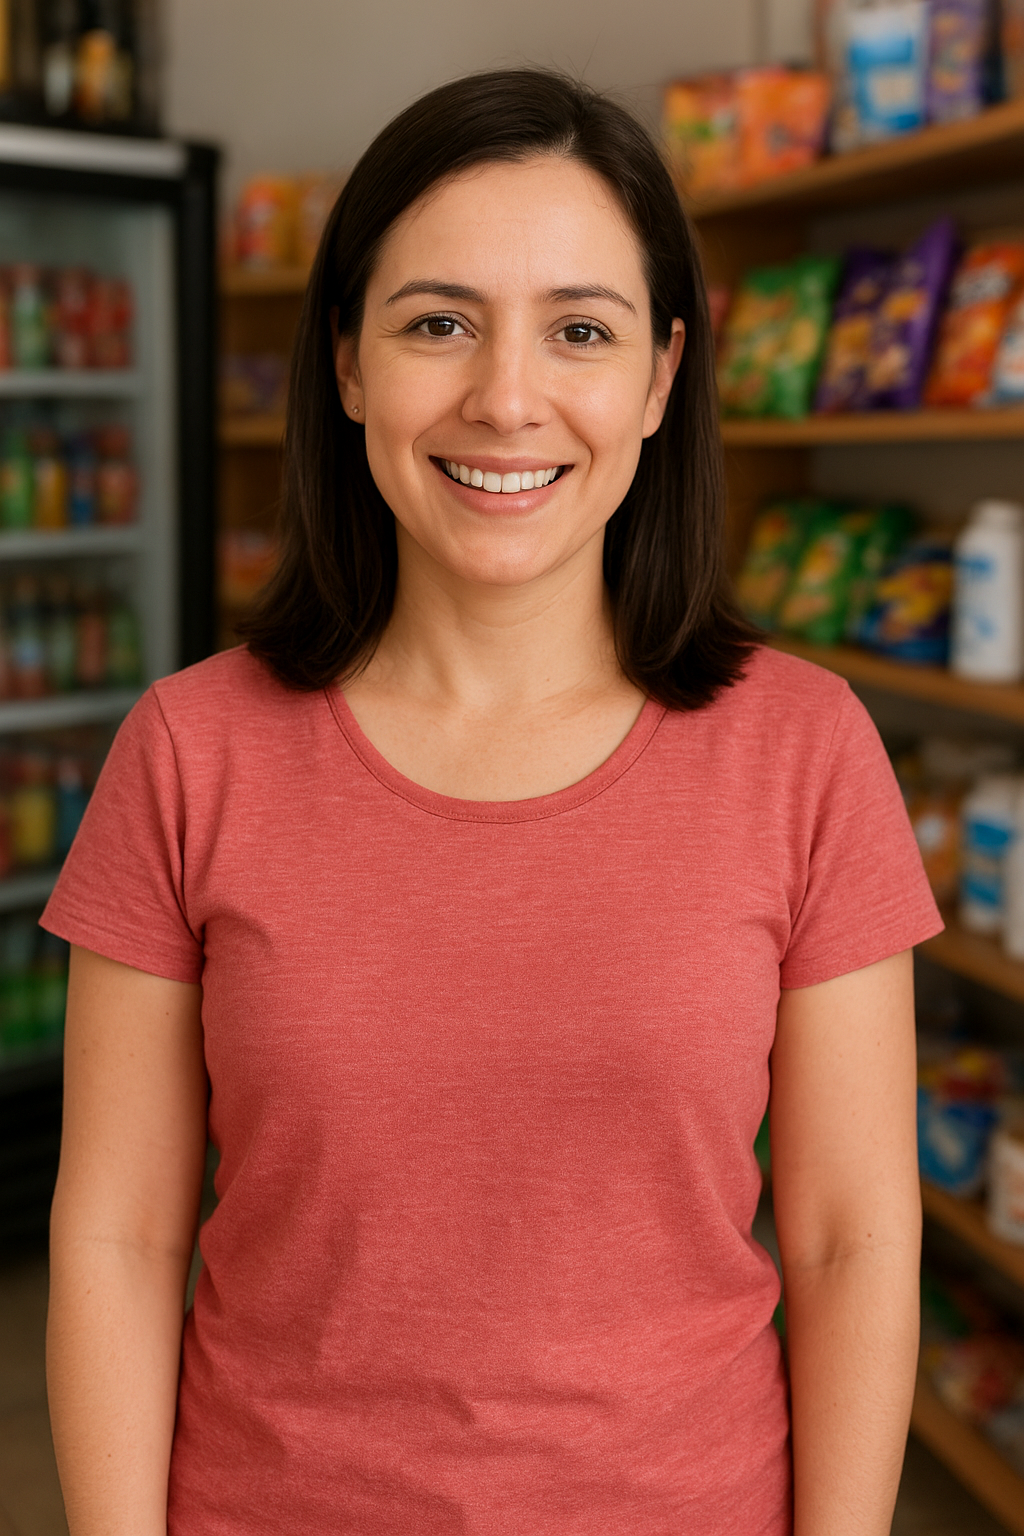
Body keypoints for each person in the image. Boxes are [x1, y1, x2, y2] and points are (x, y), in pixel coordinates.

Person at [45, 69, 941, 1536]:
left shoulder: (805, 750)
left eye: (579, 330)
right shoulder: (189, 751)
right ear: (345, 366)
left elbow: (852, 1239)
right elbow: (120, 1236)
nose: (506, 397)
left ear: (659, 380)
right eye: (438, 323)